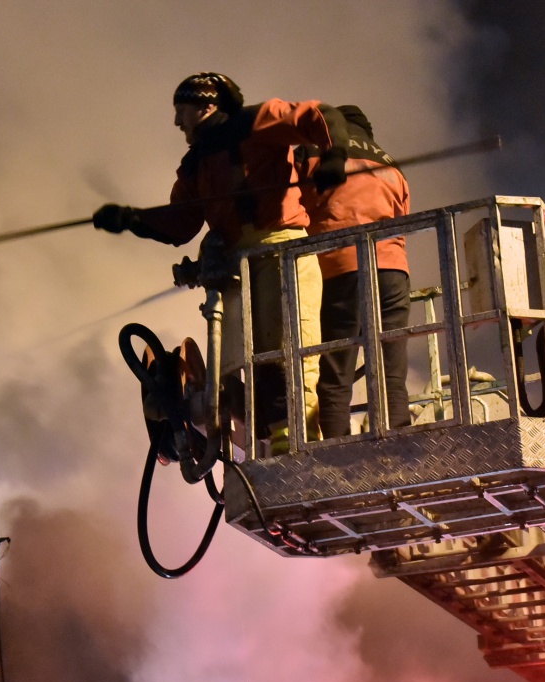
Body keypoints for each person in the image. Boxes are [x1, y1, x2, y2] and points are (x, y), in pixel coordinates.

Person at [93, 72, 350, 445]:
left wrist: (334, 156)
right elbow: (181, 221)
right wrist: (131, 219)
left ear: (206, 105)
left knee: (290, 346)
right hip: (237, 263)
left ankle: (299, 440)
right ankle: (276, 438)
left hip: (281, 249)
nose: (177, 121)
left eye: (182, 110)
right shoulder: (195, 162)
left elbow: (320, 115)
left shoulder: (257, 121)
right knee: (250, 358)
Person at [304, 105, 412, 438]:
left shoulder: (317, 155)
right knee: (392, 373)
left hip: (341, 268)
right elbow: (403, 216)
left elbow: (294, 210)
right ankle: (400, 442)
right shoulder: (391, 164)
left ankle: (336, 449)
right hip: (393, 270)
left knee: (336, 374)